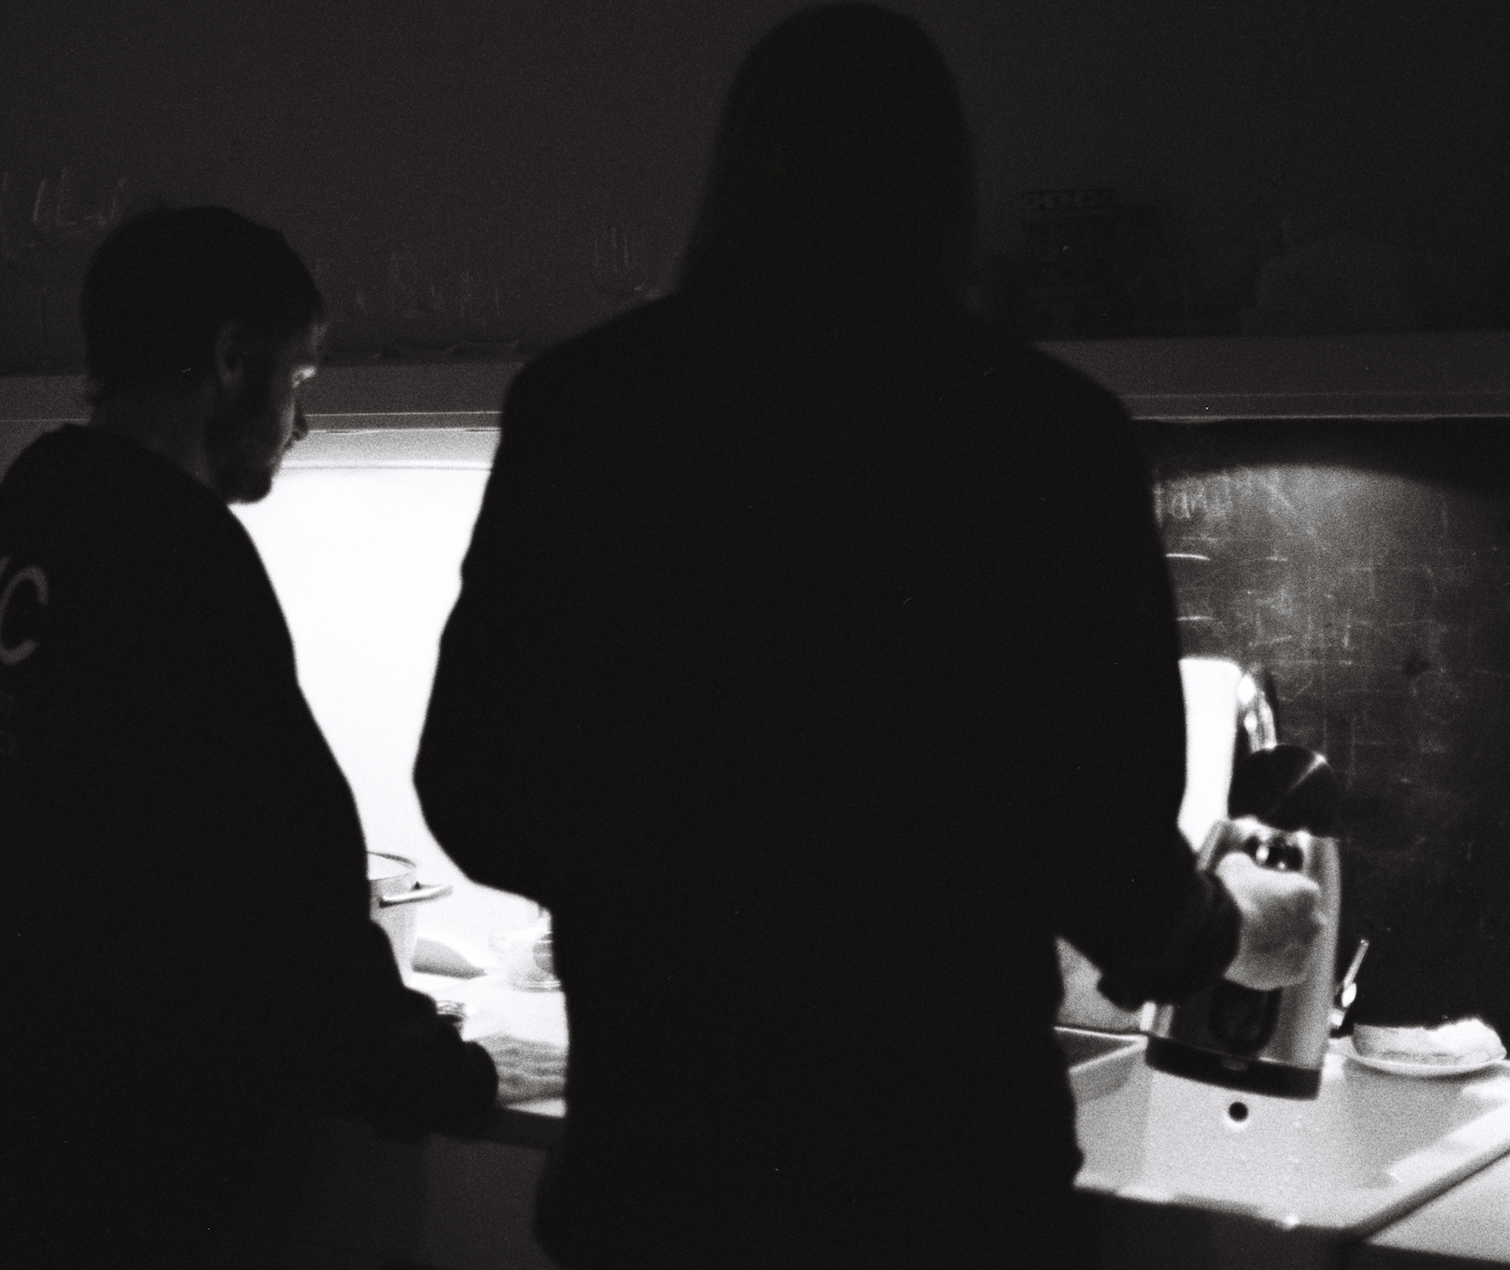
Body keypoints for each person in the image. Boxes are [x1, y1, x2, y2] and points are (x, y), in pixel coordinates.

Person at [413, 7, 1322, 1268]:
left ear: (733, 175)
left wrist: (659, 887)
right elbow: (1107, 854)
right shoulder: (1048, 435)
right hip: (945, 1175)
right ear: (945, 192)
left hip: (665, 1162)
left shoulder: (582, 409)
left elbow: (471, 781)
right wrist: (1232, 924)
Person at [0, 206, 558, 1270]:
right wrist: (447, 1073)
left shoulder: (42, 490)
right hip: (101, 1162)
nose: (302, 423)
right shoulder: (174, 548)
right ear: (230, 360)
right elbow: (284, 888)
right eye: (298, 379)